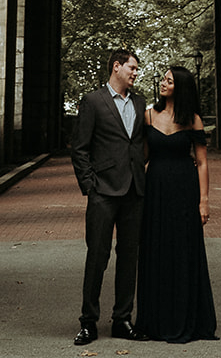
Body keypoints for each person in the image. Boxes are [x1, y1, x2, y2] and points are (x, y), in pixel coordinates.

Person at [136, 65, 218, 343]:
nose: (162, 83)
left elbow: (203, 162)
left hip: (185, 190)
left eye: (169, 81)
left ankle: (187, 319)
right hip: (155, 189)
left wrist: (203, 202)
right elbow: (143, 156)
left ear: (180, 87)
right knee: (156, 249)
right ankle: (155, 321)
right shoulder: (148, 115)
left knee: (183, 251)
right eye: (163, 79)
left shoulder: (193, 120)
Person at [70, 49, 147, 346]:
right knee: (97, 257)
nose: (136, 73)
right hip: (103, 192)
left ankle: (122, 319)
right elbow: (80, 148)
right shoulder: (92, 101)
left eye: (137, 69)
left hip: (134, 193)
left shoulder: (140, 103)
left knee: (129, 258)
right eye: (132, 67)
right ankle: (88, 321)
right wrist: (90, 185)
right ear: (116, 67)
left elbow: (140, 143)